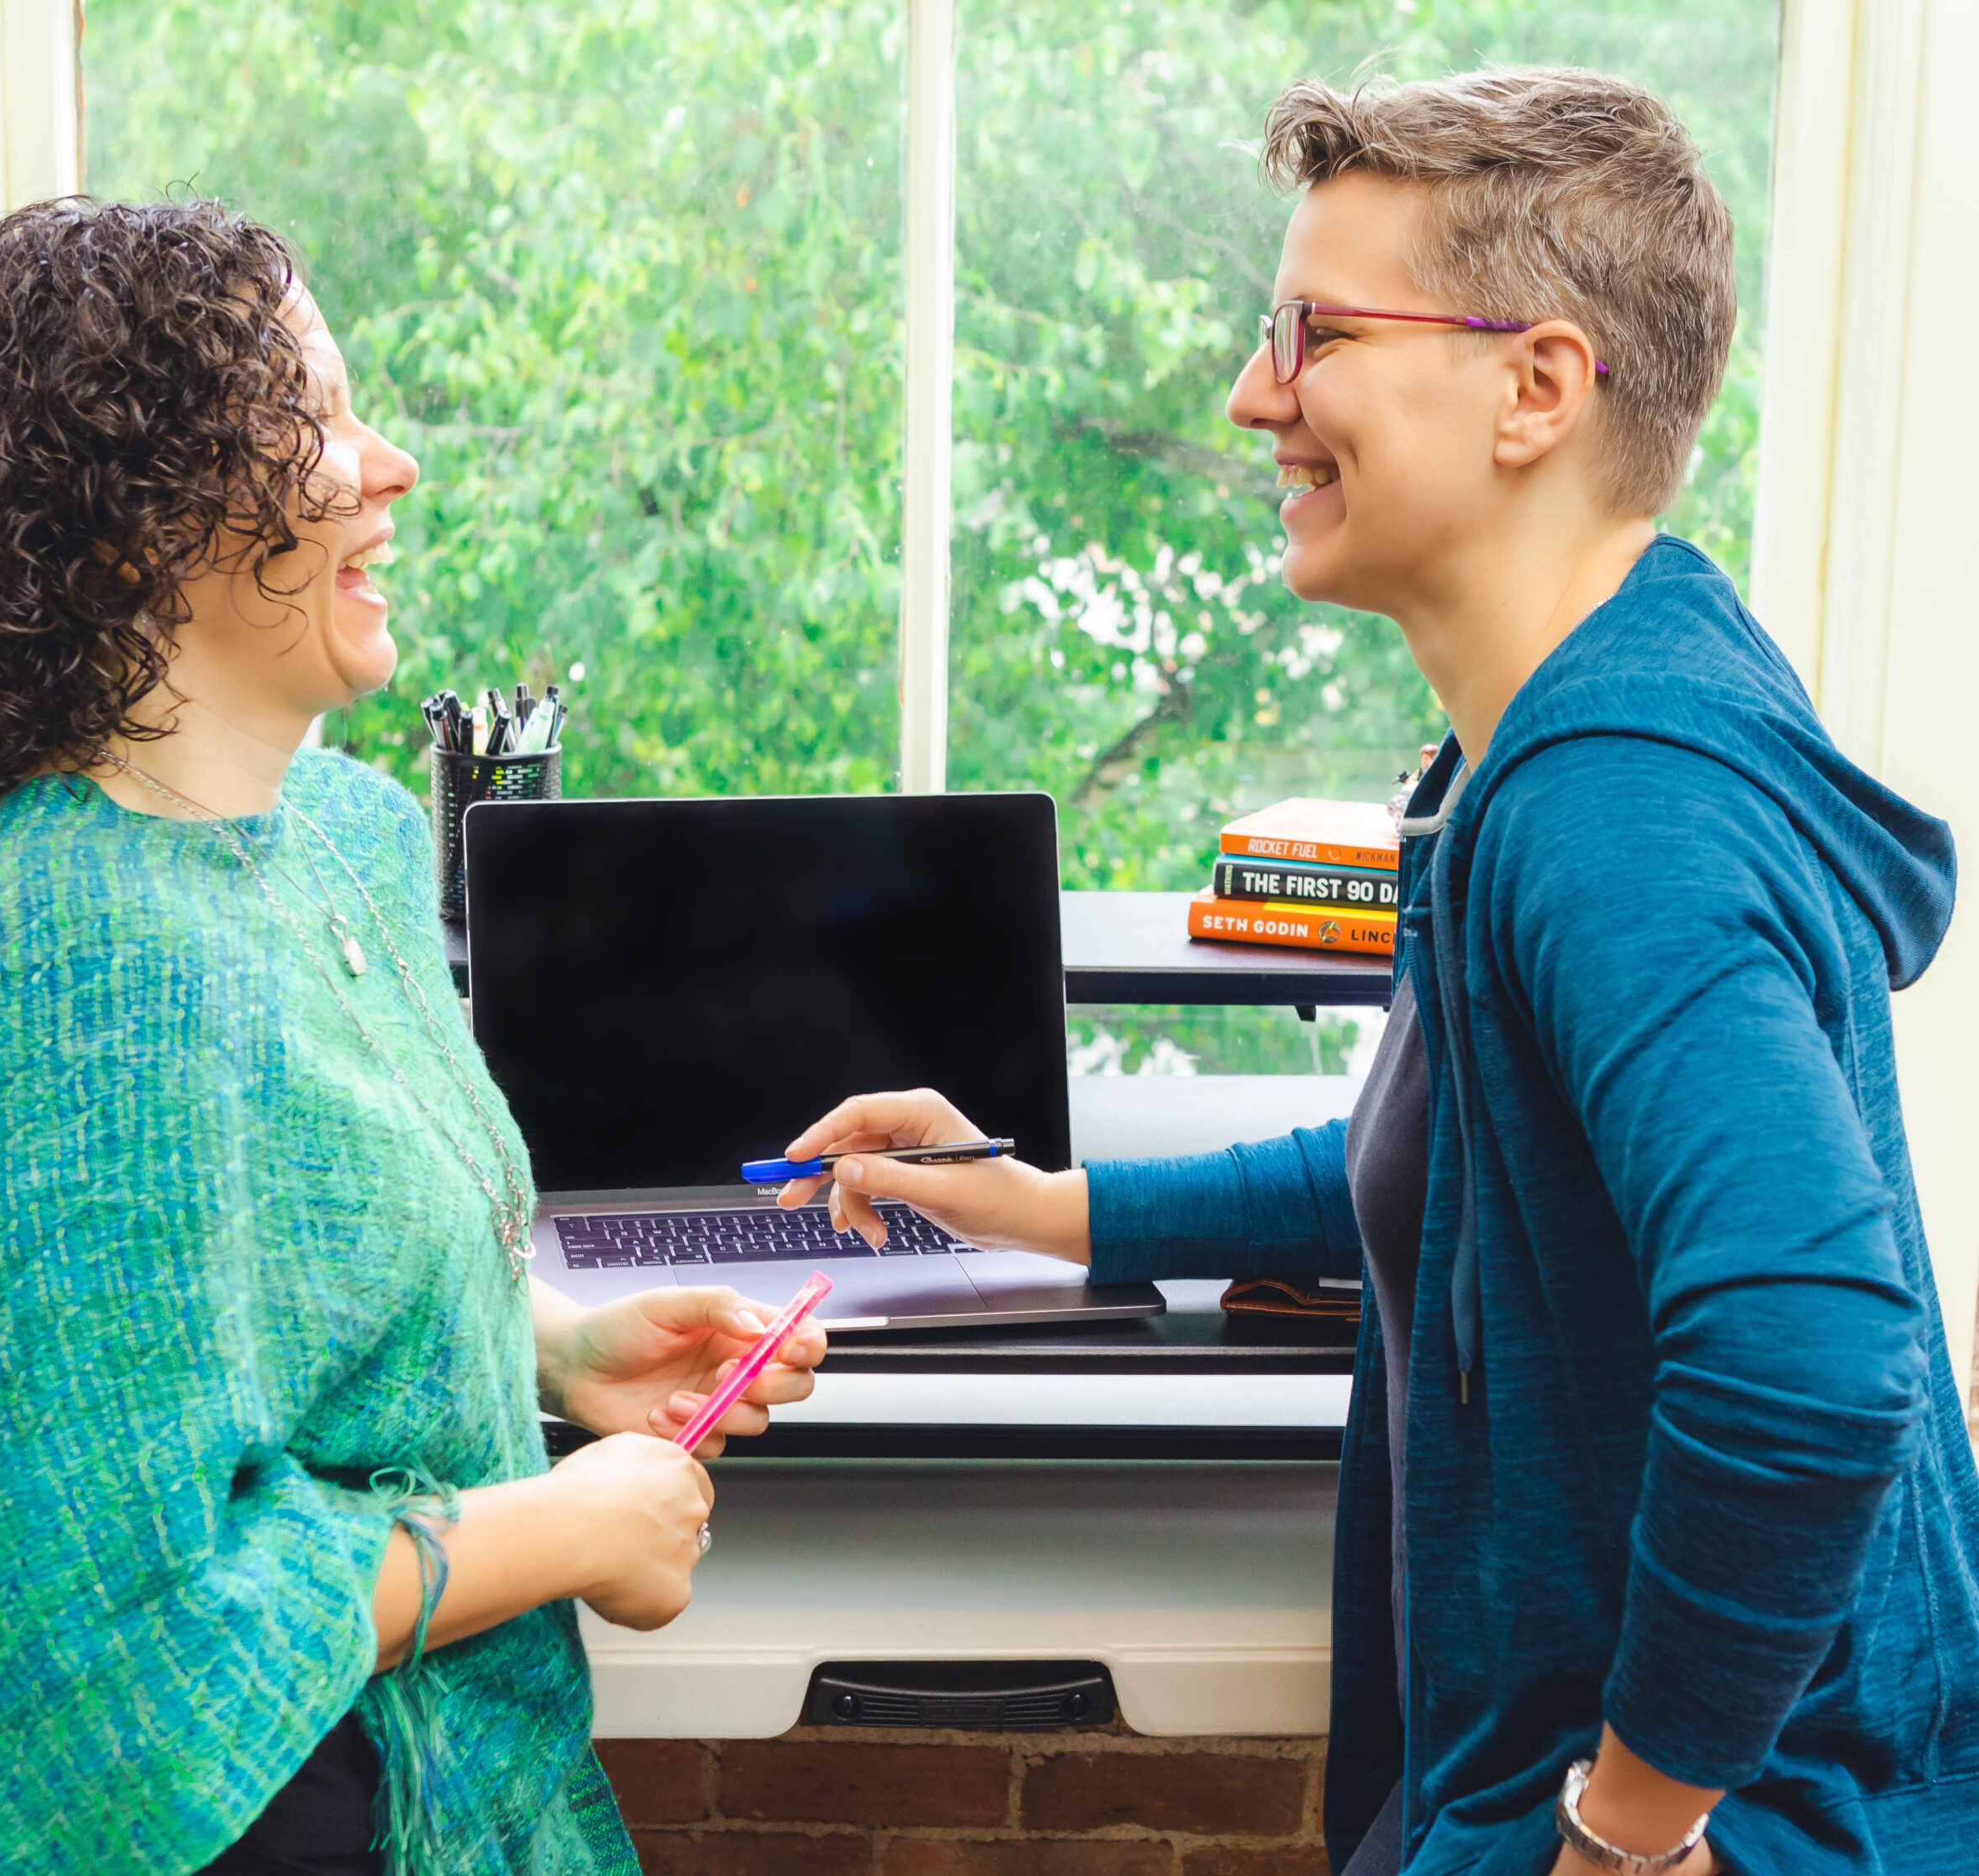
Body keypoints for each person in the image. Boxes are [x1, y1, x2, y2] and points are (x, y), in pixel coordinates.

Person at [774, 68, 1977, 1876]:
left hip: (1724, 1822)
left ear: (1533, 387)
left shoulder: (1609, 809)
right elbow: (1435, 1165)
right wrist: (1037, 1205)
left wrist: (1624, 1832)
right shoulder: (1574, 722)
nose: (1255, 392)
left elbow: (1807, 1356)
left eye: (1312, 331)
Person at [0, 198, 824, 1875]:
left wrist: (561, 1348)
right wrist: (566, 1522)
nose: (388, 467)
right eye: (312, 415)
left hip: (447, 1785)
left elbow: (286, 1255)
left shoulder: (346, 834)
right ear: (137, 519)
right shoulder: (58, 952)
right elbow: (133, 1630)